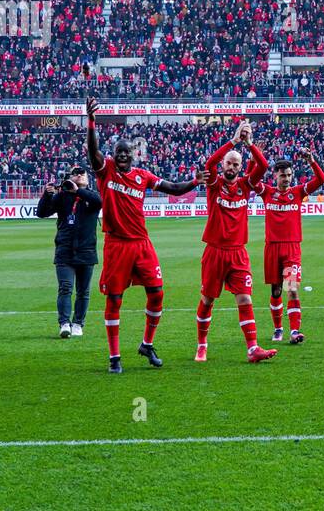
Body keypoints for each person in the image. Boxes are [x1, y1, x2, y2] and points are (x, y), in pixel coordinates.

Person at [86, 97, 203, 374]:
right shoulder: (106, 172)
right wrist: (91, 122)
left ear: (134, 154)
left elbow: (174, 188)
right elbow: (93, 153)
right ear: (113, 155)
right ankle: (114, 357)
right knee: (114, 300)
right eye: (119, 152)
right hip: (116, 245)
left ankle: (146, 344)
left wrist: (196, 181)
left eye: (128, 152)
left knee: (158, 293)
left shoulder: (142, 176)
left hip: (142, 244)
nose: (124, 155)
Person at [197, 120, 276, 363]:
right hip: (215, 252)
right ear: (223, 165)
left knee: (245, 298)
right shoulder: (214, 184)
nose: (232, 166)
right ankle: (202, 344)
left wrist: (250, 145)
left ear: (241, 167)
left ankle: (252, 348)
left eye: (236, 164)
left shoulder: (245, 185)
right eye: (228, 163)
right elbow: (208, 164)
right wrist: (233, 140)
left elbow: (263, 165)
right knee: (208, 300)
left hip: (238, 253)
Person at [259, 148, 324, 345]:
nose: (286, 179)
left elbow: (321, 179)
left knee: (292, 289)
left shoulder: (297, 193)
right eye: (282, 175)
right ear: (275, 176)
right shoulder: (267, 192)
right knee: (276, 291)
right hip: (272, 248)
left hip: (291, 249)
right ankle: (278, 328)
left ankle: (295, 331)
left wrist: (312, 160)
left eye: (289, 175)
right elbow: (251, 181)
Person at [37, 165, 101, 339]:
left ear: (88, 178)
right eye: (75, 173)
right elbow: (41, 213)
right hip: (65, 249)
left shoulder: (92, 195)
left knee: (83, 291)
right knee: (65, 288)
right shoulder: (63, 197)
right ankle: (64, 323)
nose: (79, 175)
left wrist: (77, 191)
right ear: (70, 177)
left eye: (82, 173)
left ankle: (78, 323)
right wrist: (47, 194)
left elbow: (99, 202)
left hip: (86, 250)